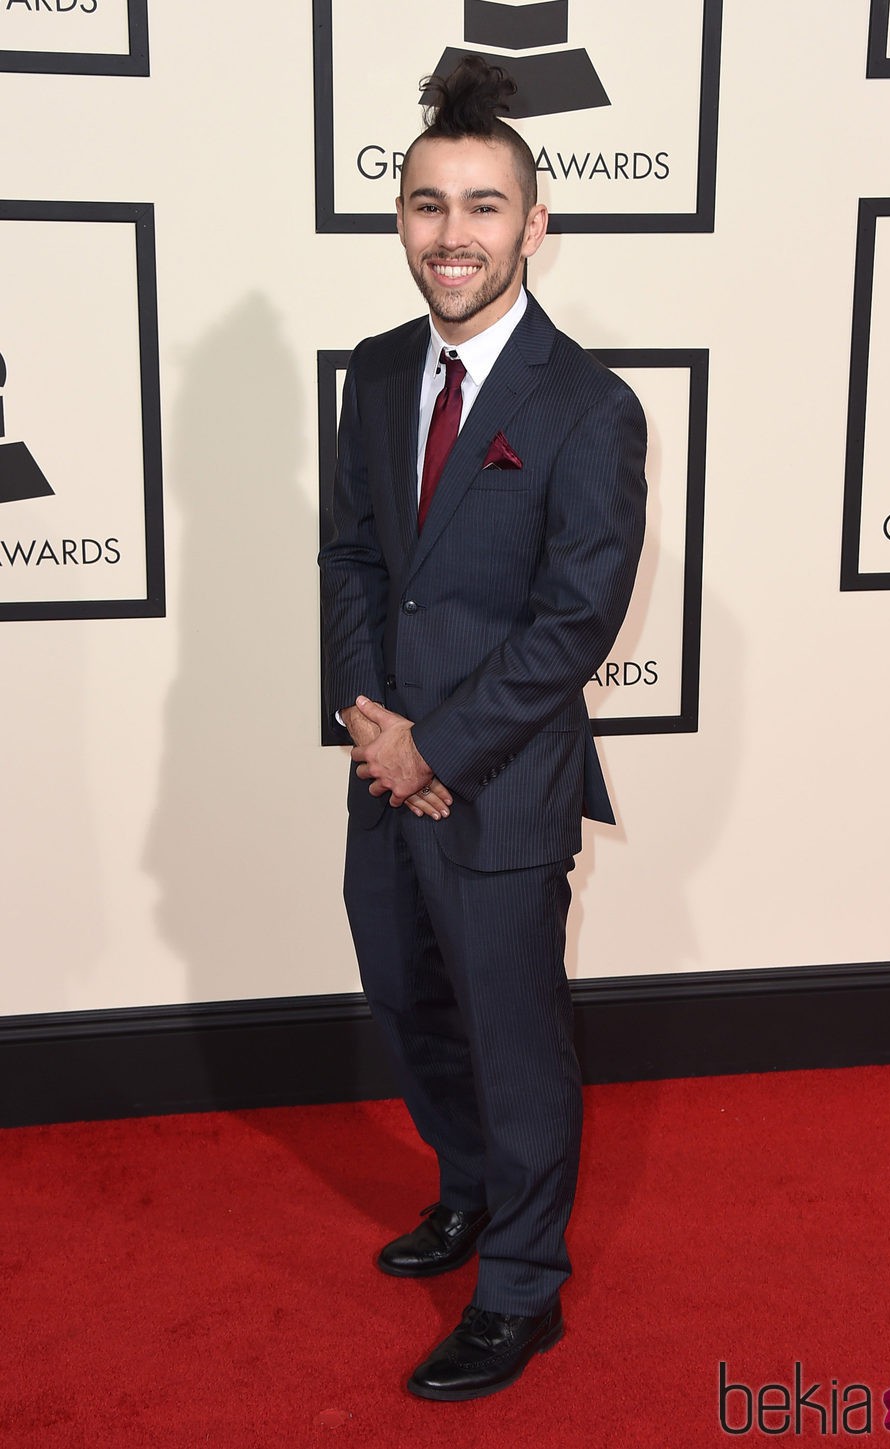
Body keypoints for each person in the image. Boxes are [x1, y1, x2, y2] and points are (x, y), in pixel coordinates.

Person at [319, 55, 647, 1402]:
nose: (453, 233)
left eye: (483, 207)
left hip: (495, 786)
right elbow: (351, 556)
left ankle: (521, 1288)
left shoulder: (589, 406)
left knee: (516, 1044)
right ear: (399, 217)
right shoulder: (381, 372)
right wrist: (366, 717)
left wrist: (437, 748)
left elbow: (576, 620)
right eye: (426, 204)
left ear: (534, 225)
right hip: (382, 770)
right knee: (409, 1005)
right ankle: (464, 1193)